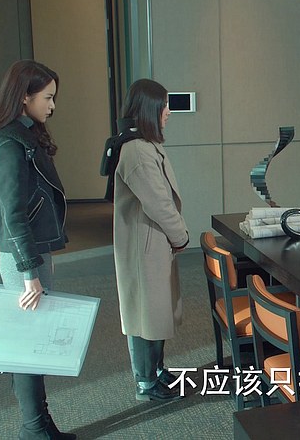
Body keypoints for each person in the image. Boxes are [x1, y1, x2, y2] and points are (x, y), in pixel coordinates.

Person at [0, 60, 75, 440]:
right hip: (22, 260)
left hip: (30, 254)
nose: (52, 105)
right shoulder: (9, 143)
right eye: (47, 98)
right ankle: (34, 428)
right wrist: (30, 271)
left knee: (33, 341)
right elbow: (12, 215)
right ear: (24, 97)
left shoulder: (24, 135)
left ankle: (39, 425)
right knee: (27, 345)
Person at [112, 79, 189, 401]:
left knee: (155, 311)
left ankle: (156, 369)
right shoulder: (137, 151)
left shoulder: (144, 146)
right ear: (149, 109)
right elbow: (159, 203)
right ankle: (146, 380)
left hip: (152, 242)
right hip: (145, 245)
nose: (168, 112)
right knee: (145, 313)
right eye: (164, 106)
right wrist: (181, 236)